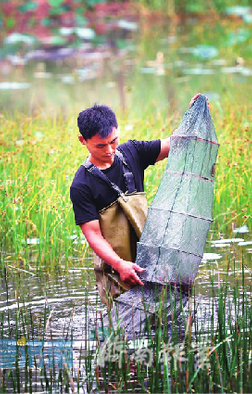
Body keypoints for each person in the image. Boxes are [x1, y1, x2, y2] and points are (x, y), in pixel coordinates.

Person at [70, 95, 200, 309]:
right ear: (82, 140)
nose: (109, 151)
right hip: (118, 270)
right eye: (101, 146)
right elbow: (93, 234)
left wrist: (193, 115)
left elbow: (177, 144)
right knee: (126, 333)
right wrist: (120, 265)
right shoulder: (82, 184)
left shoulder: (132, 152)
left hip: (154, 261)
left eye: (113, 141)